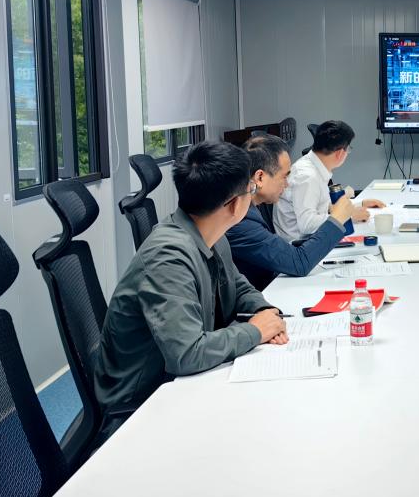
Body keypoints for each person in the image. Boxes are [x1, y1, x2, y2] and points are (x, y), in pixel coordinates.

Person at [94, 140, 288, 438]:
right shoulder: (167, 257)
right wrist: (255, 331)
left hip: (181, 382)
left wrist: (265, 311)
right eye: (250, 189)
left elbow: (236, 284)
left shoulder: (210, 231)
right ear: (234, 205)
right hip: (144, 407)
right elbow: (187, 354)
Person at [227, 134, 354, 290]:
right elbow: (299, 263)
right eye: (284, 177)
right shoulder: (239, 219)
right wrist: (336, 219)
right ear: (260, 177)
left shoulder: (251, 206)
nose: (287, 184)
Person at [274, 120, 385, 240]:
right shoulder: (307, 176)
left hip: (312, 238)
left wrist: (359, 204)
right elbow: (307, 224)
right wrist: (348, 216)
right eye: (348, 149)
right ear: (340, 153)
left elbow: (323, 206)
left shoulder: (315, 166)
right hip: (300, 243)